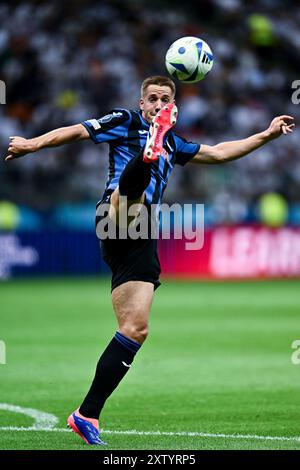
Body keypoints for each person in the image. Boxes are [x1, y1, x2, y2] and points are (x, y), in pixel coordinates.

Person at [6, 75, 295, 445]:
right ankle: (146, 154)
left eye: (165, 100)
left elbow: (222, 152)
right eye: (153, 99)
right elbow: (77, 131)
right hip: (113, 216)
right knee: (130, 199)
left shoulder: (176, 144)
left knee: (135, 328)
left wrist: (267, 134)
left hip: (141, 238)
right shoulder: (124, 120)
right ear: (142, 104)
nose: (158, 103)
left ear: (172, 107)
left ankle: (86, 414)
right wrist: (32, 143)